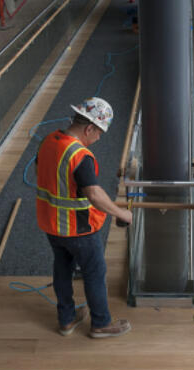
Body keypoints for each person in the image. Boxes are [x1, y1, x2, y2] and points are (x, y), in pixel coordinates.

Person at [36, 97, 134, 339]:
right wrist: (122, 213)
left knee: (62, 269)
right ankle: (101, 323)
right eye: (99, 133)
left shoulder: (48, 141)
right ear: (89, 127)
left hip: (51, 224)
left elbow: (46, 173)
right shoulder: (80, 155)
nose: (98, 138)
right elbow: (94, 194)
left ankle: (66, 319)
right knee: (95, 272)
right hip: (78, 229)